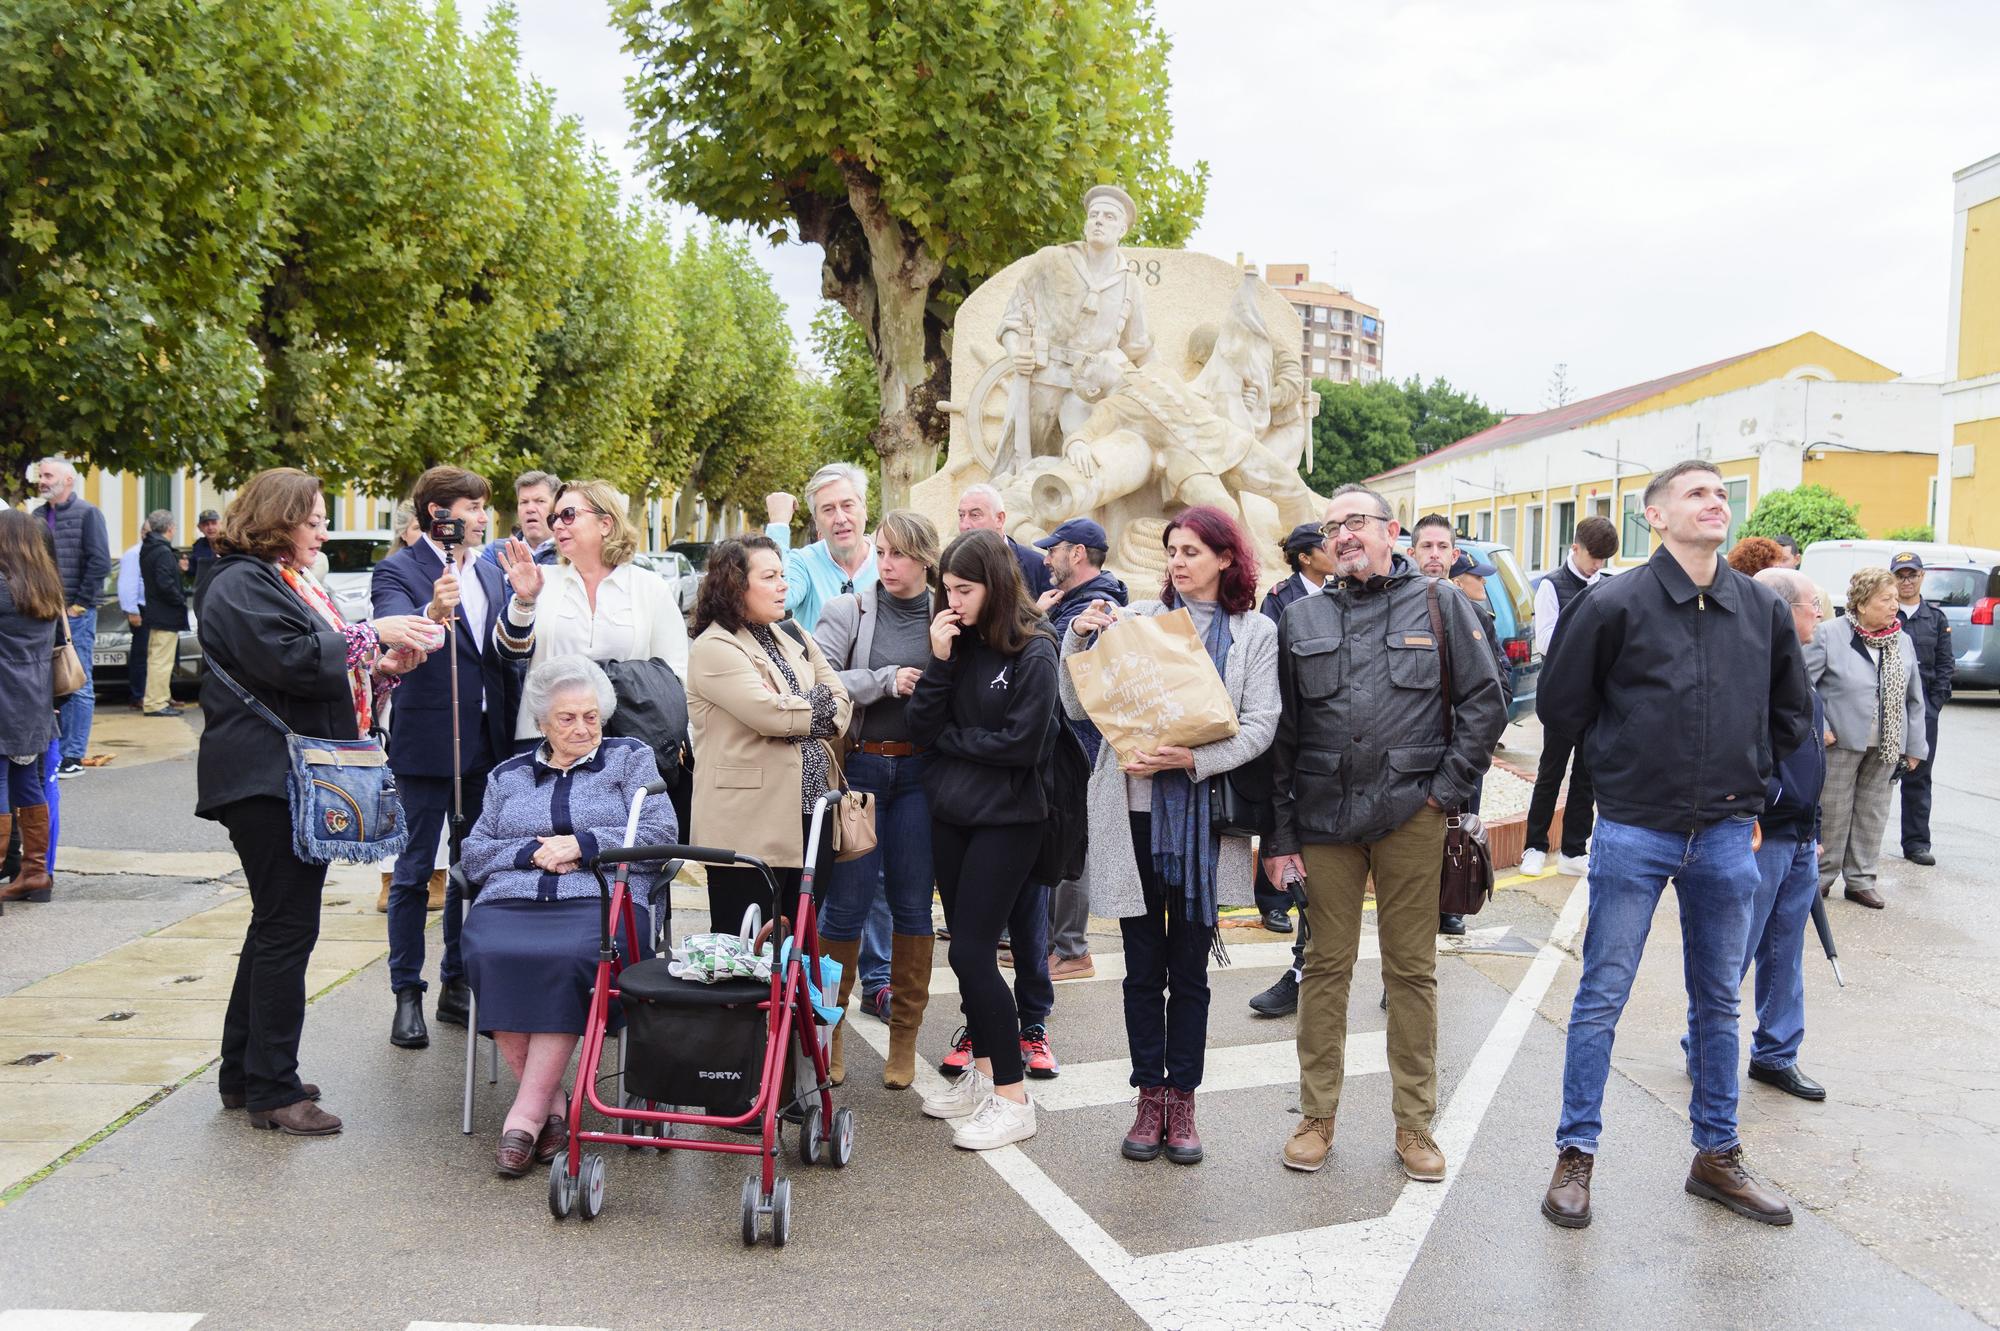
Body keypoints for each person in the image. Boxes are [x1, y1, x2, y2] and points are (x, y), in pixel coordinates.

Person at [1536, 460, 1814, 1229]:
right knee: (1601, 995)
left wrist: (1753, 783)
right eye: (1696, 493)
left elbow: (1792, 711)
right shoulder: (1614, 602)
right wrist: (1623, 771)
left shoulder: (1758, 607)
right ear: (1653, 517)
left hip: (1727, 834)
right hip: (1633, 830)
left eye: (1722, 493)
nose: (1715, 502)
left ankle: (1716, 1155)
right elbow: (1564, 705)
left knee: (1719, 1000)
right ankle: (1576, 1155)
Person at [1264, 485, 1506, 1183]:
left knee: (1411, 971)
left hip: (1410, 817)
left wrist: (1443, 793)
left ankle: (1414, 1123)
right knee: (1324, 969)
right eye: (1333, 525)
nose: (1343, 534)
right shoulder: (1299, 617)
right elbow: (1281, 739)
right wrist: (1278, 836)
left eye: (1357, 522)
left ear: (1390, 531)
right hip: (1324, 819)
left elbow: (1484, 703)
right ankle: (1317, 1116)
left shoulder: (1440, 602)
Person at [195, 468, 438, 1134]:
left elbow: (309, 670)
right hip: (265, 779)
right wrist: (374, 633)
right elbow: (293, 659)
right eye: (314, 519)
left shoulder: (272, 579)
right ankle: (272, 1087)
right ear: (278, 519)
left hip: (277, 776)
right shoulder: (241, 581)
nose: (322, 531)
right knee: (287, 928)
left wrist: (380, 668)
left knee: (274, 924)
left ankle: (246, 1073)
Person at [1062, 506, 1279, 1165]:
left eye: (1192, 550)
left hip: (1202, 822)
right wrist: (1076, 638)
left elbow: (1261, 724)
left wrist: (1193, 760)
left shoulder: (1255, 631)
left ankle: (1182, 1099)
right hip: (1133, 815)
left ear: (1224, 559)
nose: (1179, 562)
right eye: (1172, 551)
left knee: (1188, 972)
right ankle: (1146, 1094)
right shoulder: (1141, 623)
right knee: (1140, 970)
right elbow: (1079, 707)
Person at [459, 655, 675, 1176]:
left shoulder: (631, 759)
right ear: (541, 725)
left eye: (591, 717)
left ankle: (525, 1114)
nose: (582, 728)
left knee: (572, 956)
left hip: (600, 899)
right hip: (511, 899)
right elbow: (472, 851)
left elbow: (660, 835)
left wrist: (581, 845)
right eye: (567, 719)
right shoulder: (506, 775)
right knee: (489, 949)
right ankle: (553, 1106)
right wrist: (529, 853)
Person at [907, 529, 1059, 1151]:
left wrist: (953, 744)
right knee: (964, 951)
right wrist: (940, 661)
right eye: (947, 589)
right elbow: (922, 727)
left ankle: (1013, 1098)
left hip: (1010, 820)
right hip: (952, 813)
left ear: (994, 585)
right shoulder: (957, 643)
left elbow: (1025, 746)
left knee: (973, 952)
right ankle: (986, 1076)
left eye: (963, 590)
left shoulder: (1036, 649)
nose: (953, 601)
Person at [372, 466, 524, 1051]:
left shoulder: (489, 570)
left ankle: (455, 980)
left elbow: (508, 649)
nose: (483, 517)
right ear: (438, 511)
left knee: (474, 865)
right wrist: (434, 612)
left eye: (485, 506)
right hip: (427, 740)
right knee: (414, 870)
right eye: (472, 506)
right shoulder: (398, 569)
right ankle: (405, 991)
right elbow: (395, 639)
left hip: (488, 740)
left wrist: (525, 603)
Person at [1676, 568, 1829, 1102]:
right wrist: (1765, 809)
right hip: (1758, 833)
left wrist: (1814, 825)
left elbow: (1810, 754)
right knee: (1728, 956)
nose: (1822, 615)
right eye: (1814, 605)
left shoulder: (1797, 668)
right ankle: (1704, 1049)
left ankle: (1776, 1054)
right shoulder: (1747, 669)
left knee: (1785, 953)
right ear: (1786, 611)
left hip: (1799, 838)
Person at [810, 511, 944, 1090]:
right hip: (861, 767)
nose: (886, 565)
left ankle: (904, 1041)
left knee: (915, 907)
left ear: (924, 558)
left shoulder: (948, 611)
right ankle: (829, 1036)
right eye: (881, 552)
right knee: (846, 906)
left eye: (899, 555)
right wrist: (887, 679)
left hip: (921, 771)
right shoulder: (849, 609)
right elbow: (823, 681)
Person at [686, 535, 851, 934]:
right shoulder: (714, 647)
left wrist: (801, 705)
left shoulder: (794, 633)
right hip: (748, 826)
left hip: (814, 815)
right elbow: (771, 715)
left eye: (783, 575)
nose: (784, 586)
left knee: (799, 947)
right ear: (735, 585)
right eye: (771, 576)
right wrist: (814, 706)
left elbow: (842, 702)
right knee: (746, 954)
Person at [493, 477, 689, 747]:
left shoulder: (650, 587)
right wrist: (525, 601)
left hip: (627, 741)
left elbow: (674, 675)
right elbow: (510, 651)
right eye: (554, 519)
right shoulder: (543, 580)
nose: (558, 524)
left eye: (569, 515)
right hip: (544, 740)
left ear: (605, 524)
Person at [1035, 518, 1128, 982]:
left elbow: (1080, 680)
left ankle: (1072, 950)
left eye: (1053, 550)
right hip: (1066, 741)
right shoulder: (1068, 602)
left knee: (1073, 844)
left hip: (1080, 743)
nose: (1046, 558)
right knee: (1062, 839)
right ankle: (1053, 944)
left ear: (1077, 554)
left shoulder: (1099, 605)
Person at [1811, 567, 1927, 911]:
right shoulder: (1830, 634)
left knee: (1873, 812)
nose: (1895, 605)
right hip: (1840, 739)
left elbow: (1915, 698)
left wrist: (1915, 746)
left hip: (1888, 743)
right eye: (1885, 599)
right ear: (1862, 604)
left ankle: (1861, 880)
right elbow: (1804, 685)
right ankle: (1820, 877)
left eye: (1895, 599)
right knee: (1832, 810)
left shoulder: (1901, 639)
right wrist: (1821, 725)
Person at [1248, 522, 1336, 938]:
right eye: (1324, 545)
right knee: (1279, 808)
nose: (1331, 550)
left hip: (1321, 722)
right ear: (1305, 557)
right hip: (1286, 719)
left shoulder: (1338, 593)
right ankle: (1273, 901)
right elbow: (1274, 660)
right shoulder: (1281, 599)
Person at [1520, 515, 1619, 878]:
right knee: (1551, 771)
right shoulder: (1552, 585)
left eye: (1603, 560)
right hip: (1562, 694)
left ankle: (1574, 849)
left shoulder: (1607, 584)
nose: (1597, 566)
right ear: (1574, 548)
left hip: (1597, 696)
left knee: (1586, 775)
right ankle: (1534, 845)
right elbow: (1544, 640)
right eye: (1594, 557)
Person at [32, 459, 111, 779]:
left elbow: (99, 562)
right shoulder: (37, 516)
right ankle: (54, 748)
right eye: (40, 475)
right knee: (49, 682)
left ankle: (73, 754)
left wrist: (78, 606)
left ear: (68, 480)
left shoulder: (88, 514)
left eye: (48, 475)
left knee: (77, 680)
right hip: (43, 611)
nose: (42, 480)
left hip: (74, 614)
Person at [0, 509, 63, 906]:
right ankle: (36, 872)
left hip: (4, 696)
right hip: (35, 699)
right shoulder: (46, 588)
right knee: (27, 782)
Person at [1889, 551, 1953, 866]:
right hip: (1887, 709)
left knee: (1919, 778)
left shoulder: (1936, 619)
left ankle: (1916, 843)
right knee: (1875, 777)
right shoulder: (1885, 614)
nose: (1907, 581)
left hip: (1923, 712)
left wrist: (1934, 706)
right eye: (1900, 575)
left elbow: (1945, 666)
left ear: (1921, 577)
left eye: (1912, 574)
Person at [764, 462, 877, 633]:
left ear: (864, 509)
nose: (840, 518)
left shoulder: (887, 562)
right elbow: (776, 598)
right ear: (816, 521)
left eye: (847, 505)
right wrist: (779, 524)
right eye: (828, 509)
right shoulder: (803, 562)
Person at [956, 483, 1052, 598]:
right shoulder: (953, 564)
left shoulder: (1036, 565)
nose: (964, 525)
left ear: (999, 519)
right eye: (961, 515)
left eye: (975, 515)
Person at [138, 510, 187, 719]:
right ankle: (156, 703)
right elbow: (165, 583)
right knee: (161, 661)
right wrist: (180, 599)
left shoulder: (148, 548)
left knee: (156, 658)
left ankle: (159, 699)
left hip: (155, 611)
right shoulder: (163, 552)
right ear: (170, 528)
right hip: (167, 614)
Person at [479, 470, 561, 570]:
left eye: (540, 501)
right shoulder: (496, 553)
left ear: (557, 507)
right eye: (524, 502)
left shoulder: (570, 555)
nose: (530, 509)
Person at [117, 530, 148, 710]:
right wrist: (132, 610)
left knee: (149, 655)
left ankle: (147, 694)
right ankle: (138, 695)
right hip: (139, 608)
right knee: (141, 655)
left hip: (149, 608)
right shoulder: (134, 554)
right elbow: (127, 583)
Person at [188, 508, 221, 615]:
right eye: (206, 524)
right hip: (204, 597)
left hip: (223, 595)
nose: (210, 527)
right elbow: (194, 571)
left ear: (220, 524)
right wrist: (186, 569)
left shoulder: (229, 543)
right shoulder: (198, 546)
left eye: (213, 523)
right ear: (200, 528)